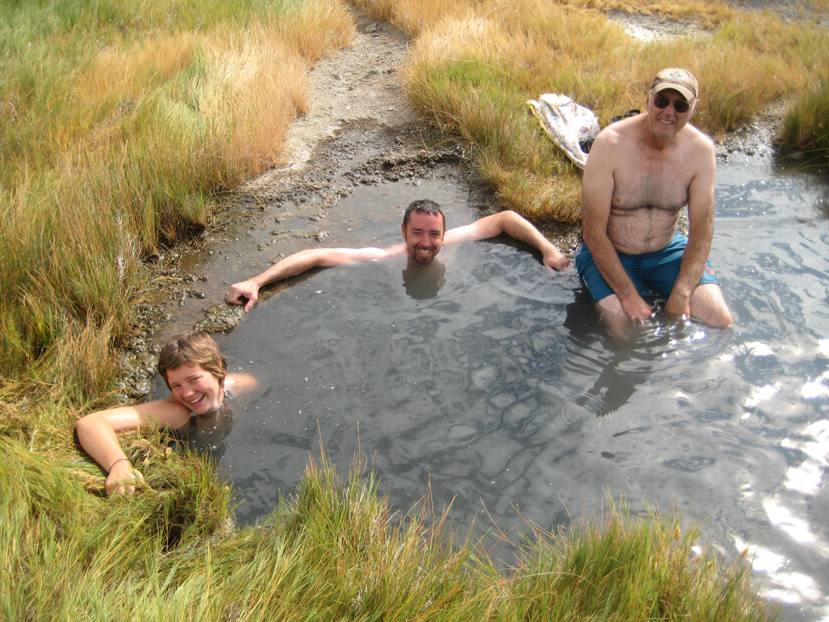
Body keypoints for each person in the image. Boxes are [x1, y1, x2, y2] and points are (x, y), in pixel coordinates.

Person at [578, 67, 733, 339]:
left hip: (666, 250)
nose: (669, 112)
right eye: (662, 101)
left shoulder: (700, 151)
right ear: (648, 100)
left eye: (680, 105)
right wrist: (628, 295)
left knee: (720, 320)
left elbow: (702, 230)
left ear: (692, 109)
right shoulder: (610, 144)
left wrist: (681, 292)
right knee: (629, 336)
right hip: (612, 251)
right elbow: (592, 231)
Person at [226, 199, 570, 311]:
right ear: (403, 232)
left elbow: (504, 219)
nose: (425, 242)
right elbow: (316, 255)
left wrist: (548, 249)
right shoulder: (383, 256)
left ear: (443, 234)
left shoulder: (454, 240)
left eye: (433, 234)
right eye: (416, 233)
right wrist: (257, 282)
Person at [75, 332, 256, 496]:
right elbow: (90, 423)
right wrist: (118, 464)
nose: (187, 394)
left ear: (217, 368)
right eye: (176, 386)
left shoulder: (243, 385)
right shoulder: (177, 412)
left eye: (194, 379)